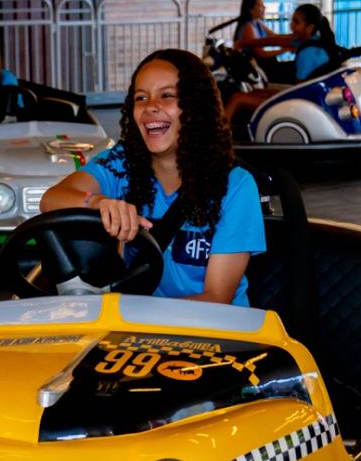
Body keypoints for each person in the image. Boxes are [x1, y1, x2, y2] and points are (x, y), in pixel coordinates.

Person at [40, 49, 265, 306]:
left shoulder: (235, 186)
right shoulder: (121, 163)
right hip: (137, 330)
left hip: (212, 332)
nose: (150, 107)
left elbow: (216, 297)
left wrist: (125, 311)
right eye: (141, 97)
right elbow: (51, 200)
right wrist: (97, 203)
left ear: (195, 106)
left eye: (167, 95)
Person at [229, 0, 290, 83]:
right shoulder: (248, 27)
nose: (264, 8)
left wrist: (293, 38)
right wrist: (285, 49)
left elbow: (275, 37)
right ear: (251, 10)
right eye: (260, 6)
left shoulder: (257, 22)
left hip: (261, 64)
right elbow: (261, 53)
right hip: (255, 68)